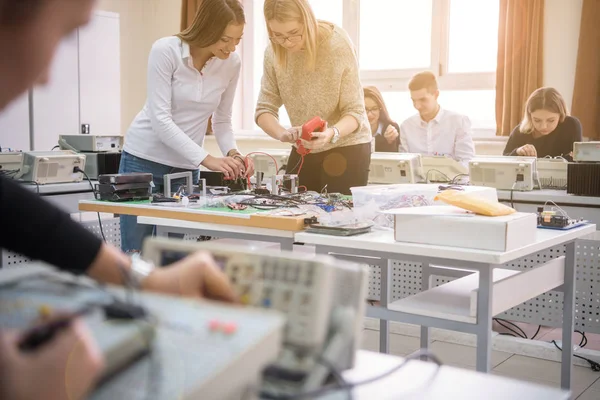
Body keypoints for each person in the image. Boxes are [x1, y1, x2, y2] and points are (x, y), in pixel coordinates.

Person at [0, 1, 237, 399]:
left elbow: (18, 213)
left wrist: (145, 277)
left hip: (185, 162)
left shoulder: (229, 67)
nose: (44, 78)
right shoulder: (166, 51)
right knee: (138, 244)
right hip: (148, 154)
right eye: (61, 35)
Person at [119, 0, 254, 253]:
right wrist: (207, 159)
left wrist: (233, 154)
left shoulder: (231, 64)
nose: (232, 47)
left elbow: (222, 120)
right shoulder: (166, 50)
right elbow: (161, 120)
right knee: (135, 254)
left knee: (172, 254)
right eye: (226, 39)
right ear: (207, 29)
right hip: (142, 160)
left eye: (238, 39)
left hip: (184, 169)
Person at [255, 0, 372, 195]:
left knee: (338, 218)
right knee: (291, 211)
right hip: (305, 147)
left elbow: (355, 112)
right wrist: (281, 134)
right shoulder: (273, 52)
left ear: (307, 21)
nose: (288, 42)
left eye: (293, 33)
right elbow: (264, 109)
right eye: (278, 35)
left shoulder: (337, 45)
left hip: (347, 145)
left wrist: (330, 134)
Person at [399, 71, 475, 164]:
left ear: (436, 94)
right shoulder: (406, 126)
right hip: (418, 178)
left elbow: (466, 160)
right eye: (413, 100)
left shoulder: (458, 122)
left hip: (453, 178)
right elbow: (404, 163)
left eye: (423, 100)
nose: (417, 106)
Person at [503, 87, 583, 160]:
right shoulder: (520, 132)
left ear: (561, 115)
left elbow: (578, 160)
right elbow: (504, 160)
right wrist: (517, 152)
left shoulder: (571, 125)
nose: (543, 127)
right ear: (530, 116)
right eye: (537, 120)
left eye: (551, 120)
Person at [363, 86, 400, 153]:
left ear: (381, 109)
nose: (370, 115)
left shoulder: (391, 128)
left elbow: (394, 159)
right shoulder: (352, 131)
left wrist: (390, 142)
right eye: (365, 109)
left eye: (374, 109)